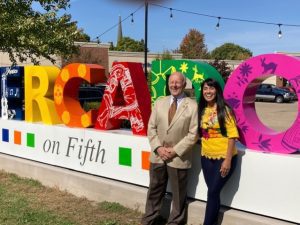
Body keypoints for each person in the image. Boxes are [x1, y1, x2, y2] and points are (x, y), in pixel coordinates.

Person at [141, 72, 198, 225]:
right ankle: (148, 220)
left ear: (184, 84)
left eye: (178, 82)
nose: (174, 85)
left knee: (179, 195)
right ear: (168, 84)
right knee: (154, 190)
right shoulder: (160, 102)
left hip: (178, 157)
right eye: (171, 82)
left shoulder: (192, 105)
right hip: (158, 155)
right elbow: (151, 128)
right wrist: (158, 148)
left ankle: (175, 222)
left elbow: (193, 134)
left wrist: (174, 151)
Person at [198, 78, 239, 225]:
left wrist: (227, 160)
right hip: (206, 157)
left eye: (211, 88)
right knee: (213, 193)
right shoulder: (202, 109)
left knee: (213, 192)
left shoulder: (225, 110)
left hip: (224, 158)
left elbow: (232, 135)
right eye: (205, 89)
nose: (208, 92)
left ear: (217, 91)